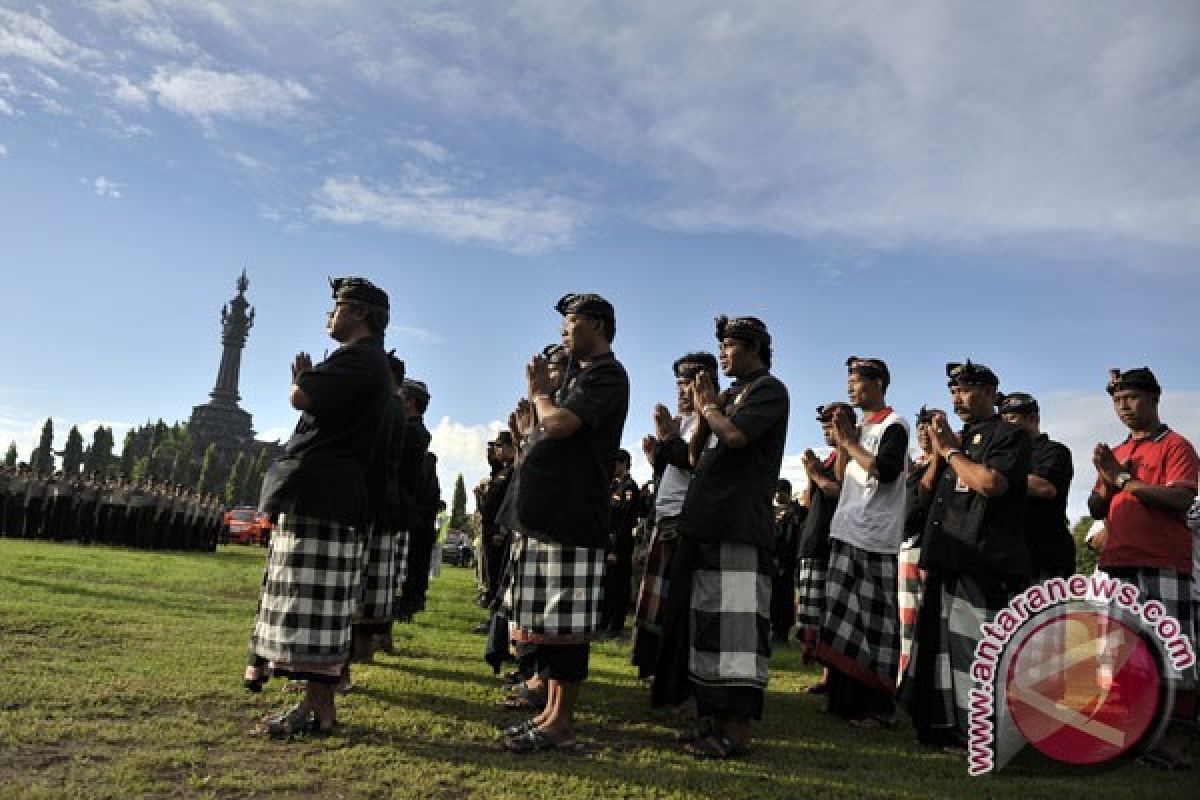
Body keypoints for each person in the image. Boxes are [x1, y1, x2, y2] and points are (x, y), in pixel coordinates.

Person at [245, 276, 392, 737]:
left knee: (313, 609)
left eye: (338, 307)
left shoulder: (359, 361)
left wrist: (301, 383)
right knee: (317, 609)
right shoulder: (370, 365)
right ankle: (319, 709)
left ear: (360, 315)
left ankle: (314, 708)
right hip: (332, 497)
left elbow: (304, 398)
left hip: (324, 495)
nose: (330, 315)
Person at [653, 315, 789, 760]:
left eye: (731, 346)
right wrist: (692, 420)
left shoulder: (769, 390)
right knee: (704, 623)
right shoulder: (727, 395)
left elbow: (735, 436)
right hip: (704, 521)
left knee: (735, 630)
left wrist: (710, 408)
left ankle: (737, 732)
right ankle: (708, 719)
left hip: (739, 524)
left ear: (754, 348)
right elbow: (696, 456)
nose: (724, 354)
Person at [504, 293, 629, 753]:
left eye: (571, 322)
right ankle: (550, 713)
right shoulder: (580, 376)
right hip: (552, 516)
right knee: (553, 629)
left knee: (568, 629)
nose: (563, 331)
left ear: (596, 325)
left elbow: (558, 426)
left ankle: (562, 723)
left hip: (576, 518)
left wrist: (540, 393)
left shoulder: (607, 376)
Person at [899, 360, 1030, 750]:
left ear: (990, 393)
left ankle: (983, 733)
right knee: (939, 653)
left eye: (967, 389)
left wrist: (953, 452)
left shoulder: (1009, 436)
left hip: (984, 562)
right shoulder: (957, 439)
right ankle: (942, 727)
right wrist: (941, 454)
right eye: (953, 390)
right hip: (945, 557)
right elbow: (921, 498)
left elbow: (990, 484)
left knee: (977, 652)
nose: (958, 397)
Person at [1087, 367, 1198, 769]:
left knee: (1174, 654)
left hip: (1163, 563)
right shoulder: (1117, 451)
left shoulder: (1176, 445)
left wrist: (1123, 480)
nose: (1124, 407)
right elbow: (1097, 508)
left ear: (1154, 398)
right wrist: (1105, 476)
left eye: (1132, 398)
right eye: (1117, 401)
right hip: (1117, 563)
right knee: (1121, 657)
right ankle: (1130, 738)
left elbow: (1180, 501)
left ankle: (1177, 743)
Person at [816, 357, 908, 727]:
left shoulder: (894, 424)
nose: (850, 388)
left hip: (874, 535)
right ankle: (843, 699)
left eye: (856, 382)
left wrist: (850, 442)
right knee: (843, 620)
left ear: (878, 383)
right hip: (846, 528)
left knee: (874, 624)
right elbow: (844, 477)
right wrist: (843, 443)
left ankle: (878, 706)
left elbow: (885, 472)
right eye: (849, 381)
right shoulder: (861, 427)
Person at [632, 353, 714, 678]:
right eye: (678, 385)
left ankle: (679, 676)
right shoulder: (685, 423)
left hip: (686, 522)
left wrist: (669, 439)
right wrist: (658, 456)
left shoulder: (712, 419)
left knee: (680, 608)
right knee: (659, 605)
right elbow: (675, 472)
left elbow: (700, 466)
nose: (680, 393)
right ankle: (657, 669)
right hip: (665, 519)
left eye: (687, 385)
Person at [795, 403, 851, 692]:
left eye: (831, 424)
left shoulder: (846, 456)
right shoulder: (829, 458)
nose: (826, 429)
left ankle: (833, 677)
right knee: (814, 614)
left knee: (829, 615)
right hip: (812, 539)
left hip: (829, 543)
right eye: (824, 425)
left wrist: (817, 474)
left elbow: (840, 492)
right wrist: (811, 474)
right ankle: (826, 677)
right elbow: (806, 501)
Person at [998, 391, 1074, 580]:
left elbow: (1045, 488)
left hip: (1045, 556)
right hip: (1010, 558)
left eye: (1012, 418)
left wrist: (994, 477)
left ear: (1033, 418)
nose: (1006, 425)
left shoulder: (1054, 451)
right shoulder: (1003, 454)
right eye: (1003, 419)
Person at [898, 407, 937, 679]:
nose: (924, 430)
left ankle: (918, 678)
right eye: (920, 425)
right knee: (906, 619)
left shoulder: (947, 460)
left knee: (925, 618)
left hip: (930, 548)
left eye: (930, 425)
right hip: (908, 546)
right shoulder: (915, 463)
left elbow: (925, 499)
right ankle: (904, 675)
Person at [600, 449, 640, 637]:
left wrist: (615, 550)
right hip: (608, 541)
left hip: (621, 544)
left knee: (619, 585)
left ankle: (616, 624)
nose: (613, 466)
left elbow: (625, 520)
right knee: (607, 584)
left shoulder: (629, 488)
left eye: (616, 462)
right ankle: (604, 621)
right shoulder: (613, 487)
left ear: (624, 463)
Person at [769, 479, 805, 644]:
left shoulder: (794, 512)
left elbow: (792, 539)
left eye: (781, 491)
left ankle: (781, 633)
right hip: (771, 560)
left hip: (787, 562)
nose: (778, 494)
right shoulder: (770, 511)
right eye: (776, 491)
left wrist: (785, 562)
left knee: (784, 597)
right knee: (771, 596)